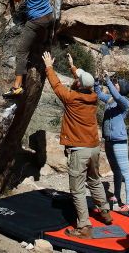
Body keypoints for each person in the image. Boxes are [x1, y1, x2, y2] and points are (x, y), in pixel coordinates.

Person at [41, 50, 113, 239]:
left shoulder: (72, 98)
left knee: (78, 189)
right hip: (94, 148)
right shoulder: (93, 97)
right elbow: (83, 80)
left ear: (79, 84)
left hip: (79, 150)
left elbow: (56, 85)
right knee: (95, 180)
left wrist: (49, 67)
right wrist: (73, 66)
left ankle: (84, 227)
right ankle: (105, 211)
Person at [2, 0, 54, 98]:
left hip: (36, 21)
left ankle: (16, 87)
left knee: (21, 52)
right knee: (41, 43)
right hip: (49, 17)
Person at [94, 71, 129, 212]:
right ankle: (117, 196)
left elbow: (117, 96)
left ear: (122, 87)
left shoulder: (124, 101)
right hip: (109, 140)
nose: (115, 85)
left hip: (119, 141)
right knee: (116, 170)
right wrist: (96, 81)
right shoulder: (110, 99)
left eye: (117, 84)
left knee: (125, 172)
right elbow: (99, 94)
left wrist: (107, 80)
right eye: (114, 83)